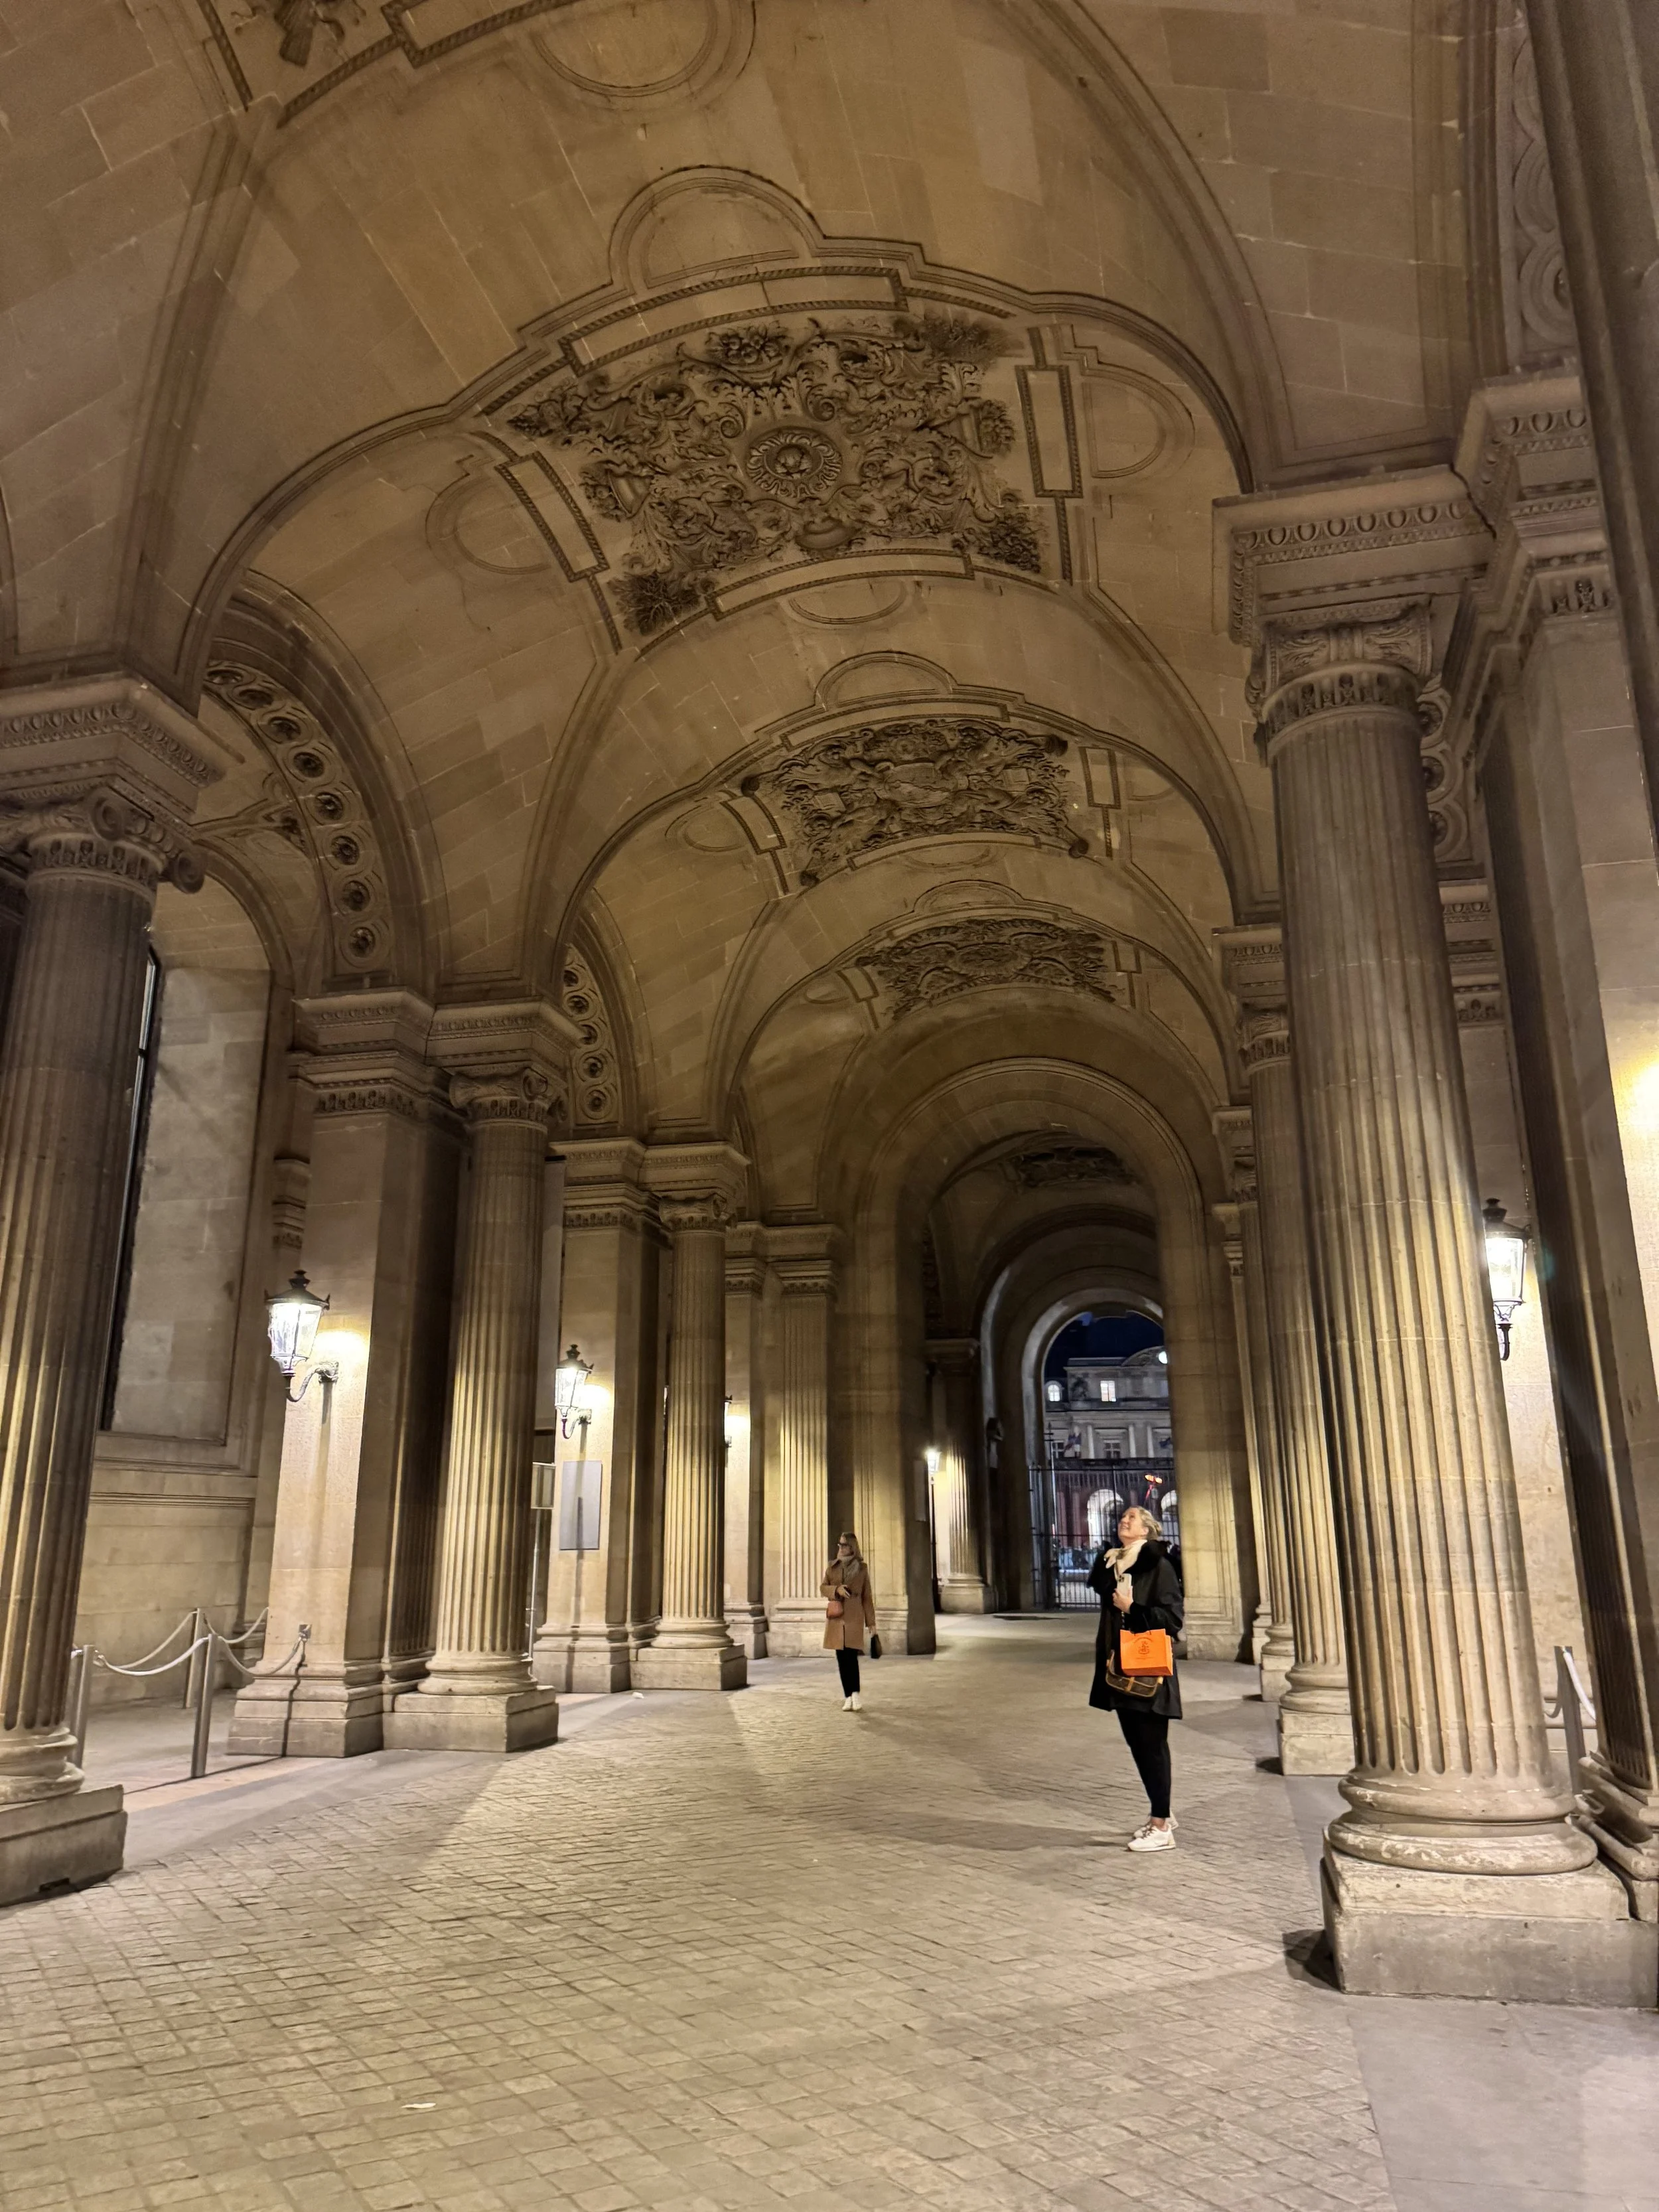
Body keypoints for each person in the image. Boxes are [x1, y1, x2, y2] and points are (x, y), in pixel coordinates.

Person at [1088, 1503, 1183, 1850]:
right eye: (1123, 1517)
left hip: (1148, 1669)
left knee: (1152, 1745)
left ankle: (1161, 1828)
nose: (1123, 1521)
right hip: (1120, 1667)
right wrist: (1110, 1568)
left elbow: (1173, 1619)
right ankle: (1162, 1812)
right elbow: (1100, 1589)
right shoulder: (1115, 1563)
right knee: (1139, 1745)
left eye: (1132, 1518)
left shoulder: (1158, 1565)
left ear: (1146, 1530)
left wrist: (1133, 1610)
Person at [821, 1531, 877, 1710]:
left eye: (844, 1545)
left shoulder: (862, 1568)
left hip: (854, 1617)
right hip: (837, 1618)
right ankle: (847, 1697)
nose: (840, 1548)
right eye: (839, 1545)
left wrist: (871, 1623)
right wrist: (836, 1589)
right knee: (841, 1658)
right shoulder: (832, 1567)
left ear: (852, 1547)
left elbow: (867, 1597)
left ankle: (856, 1695)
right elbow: (823, 1588)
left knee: (851, 1657)